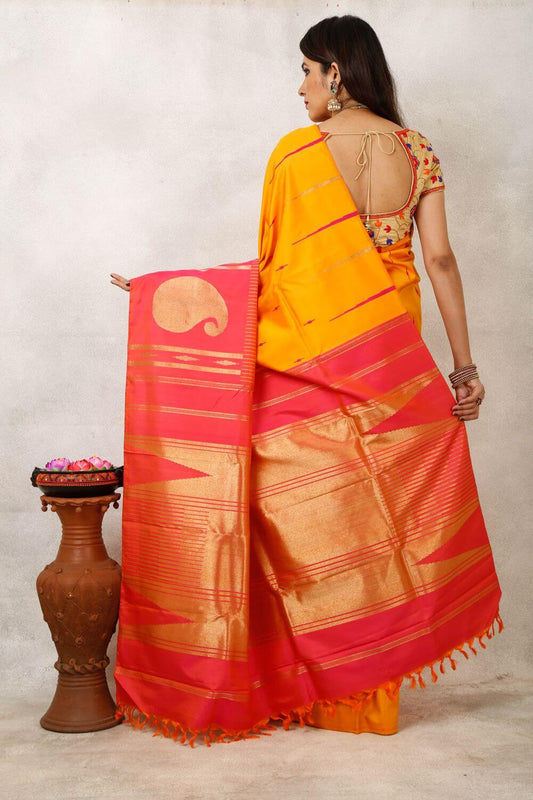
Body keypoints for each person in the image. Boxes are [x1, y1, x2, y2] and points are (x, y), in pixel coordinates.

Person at [110, 15, 501, 746]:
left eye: (305, 71)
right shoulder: (417, 150)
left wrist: (172, 295)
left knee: (307, 506)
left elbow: (281, 275)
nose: (299, 89)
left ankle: (315, 682)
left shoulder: (299, 154)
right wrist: (463, 368)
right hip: (389, 354)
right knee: (375, 516)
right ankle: (364, 694)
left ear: (335, 73)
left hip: (314, 349)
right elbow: (441, 260)